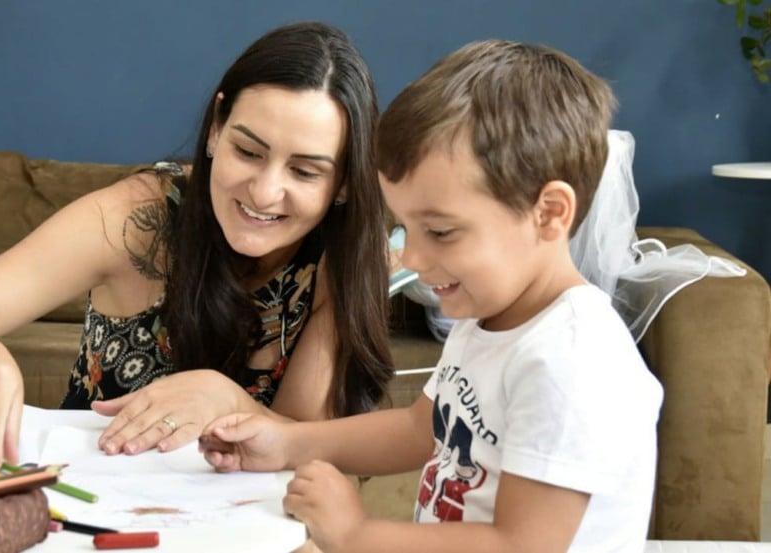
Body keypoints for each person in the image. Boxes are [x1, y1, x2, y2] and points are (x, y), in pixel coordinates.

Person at [199, 39, 664, 553]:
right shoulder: (491, 316)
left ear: (550, 213)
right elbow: (420, 428)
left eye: (440, 232)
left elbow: (523, 546)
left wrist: (357, 534)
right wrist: (285, 442)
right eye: (406, 228)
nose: (414, 260)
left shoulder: (571, 362)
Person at [0, 21, 395, 472]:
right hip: (90, 498)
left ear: (346, 182)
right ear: (216, 128)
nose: (263, 192)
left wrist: (224, 398)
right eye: (247, 150)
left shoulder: (343, 256)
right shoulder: (136, 218)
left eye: (305, 172)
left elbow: (310, 446)